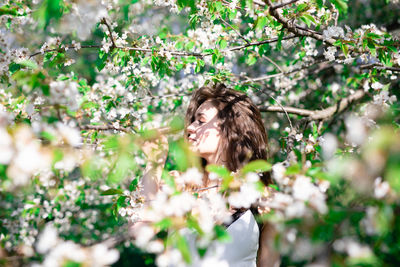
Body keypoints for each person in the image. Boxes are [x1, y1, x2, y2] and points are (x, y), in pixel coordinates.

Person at [137, 83, 280, 267]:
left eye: (201, 121)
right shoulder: (179, 186)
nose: (190, 128)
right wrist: (155, 161)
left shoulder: (262, 199)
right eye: (193, 121)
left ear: (230, 129)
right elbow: (139, 231)